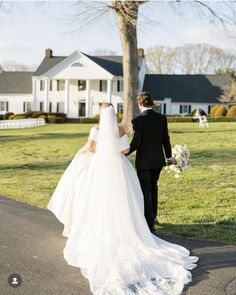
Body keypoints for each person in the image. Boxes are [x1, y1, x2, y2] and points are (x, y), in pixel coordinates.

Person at [47, 103, 198, 295]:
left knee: (95, 201)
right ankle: (126, 228)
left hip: (99, 169)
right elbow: (125, 150)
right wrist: (114, 151)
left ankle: (100, 229)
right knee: (123, 199)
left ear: (101, 114)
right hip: (119, 168)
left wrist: (83, 153)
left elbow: (89, 146)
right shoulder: (119, 130)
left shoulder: (95, 129)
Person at [127, 91, 175, 232]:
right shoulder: (161, 118)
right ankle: (153, 217)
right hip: (158, 160)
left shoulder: (138, 121)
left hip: (144, 162)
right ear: (151, 103)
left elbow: (137, 142)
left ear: (140, 103)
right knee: (153, 187)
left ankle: (149, 223)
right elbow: (166, 139)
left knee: (145, 190)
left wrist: (125, 152)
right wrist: (169, 156)